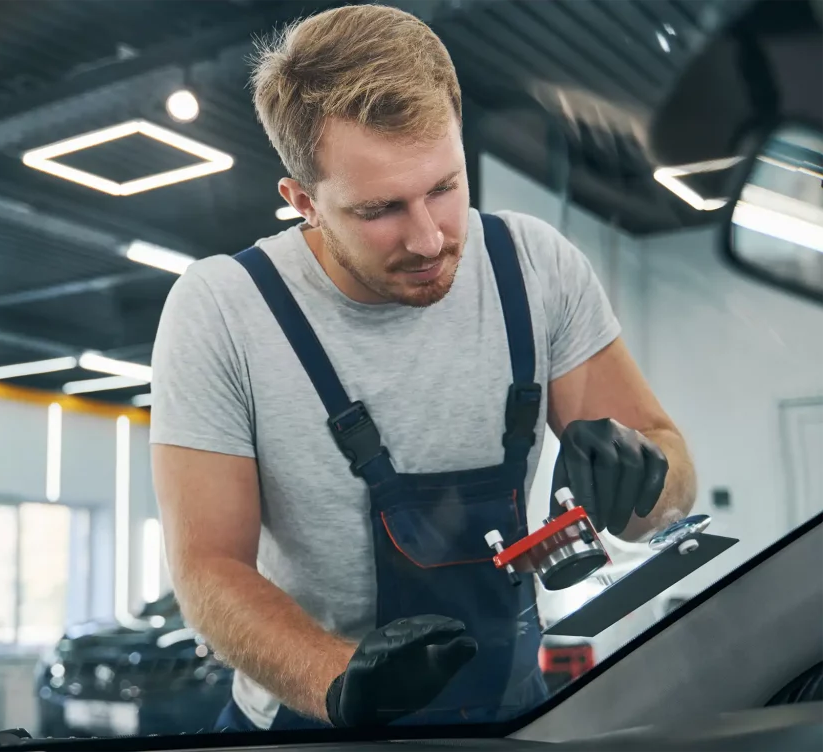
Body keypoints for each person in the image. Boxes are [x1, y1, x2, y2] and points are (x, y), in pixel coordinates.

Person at [149, 3, 697, 733]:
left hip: (510, 710)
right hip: (313, 717)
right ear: (303, 201)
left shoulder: (536, 268)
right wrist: (339, 682)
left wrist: (646, 476)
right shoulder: (222, 310)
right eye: (381, 209)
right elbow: (208, 572)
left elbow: (673, 471)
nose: (431, 237)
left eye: (445, 186)